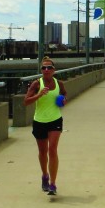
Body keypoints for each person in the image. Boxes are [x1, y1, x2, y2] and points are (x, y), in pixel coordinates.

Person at [24, 57, 67, 195]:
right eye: (44, 68)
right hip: (39, 121)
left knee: (52, 149)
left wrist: (63, 100)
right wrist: (39, 95)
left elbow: (64, 94)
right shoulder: (37, 84)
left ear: (54, 70)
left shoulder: (59, 83)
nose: (46, 70)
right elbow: (26, 101)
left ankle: (53, 184)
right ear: (41, 70)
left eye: (49, 68)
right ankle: (45, 176)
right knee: (43, 152)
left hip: (55, 120)